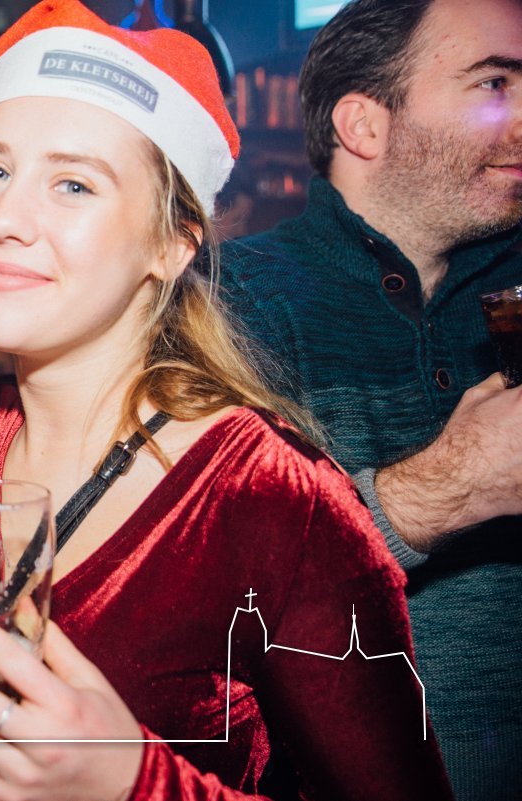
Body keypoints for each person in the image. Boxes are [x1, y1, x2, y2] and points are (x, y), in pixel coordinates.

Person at [0, 2, 453, 799]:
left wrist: (131, 780)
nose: (1, 218)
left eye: (73, 184)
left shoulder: (273, 498)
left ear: (172, 245)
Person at [217, 1, 522, 797]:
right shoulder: (231, 306)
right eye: (495, 84)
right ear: (364, 125)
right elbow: (208, 595)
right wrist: (448, 485)